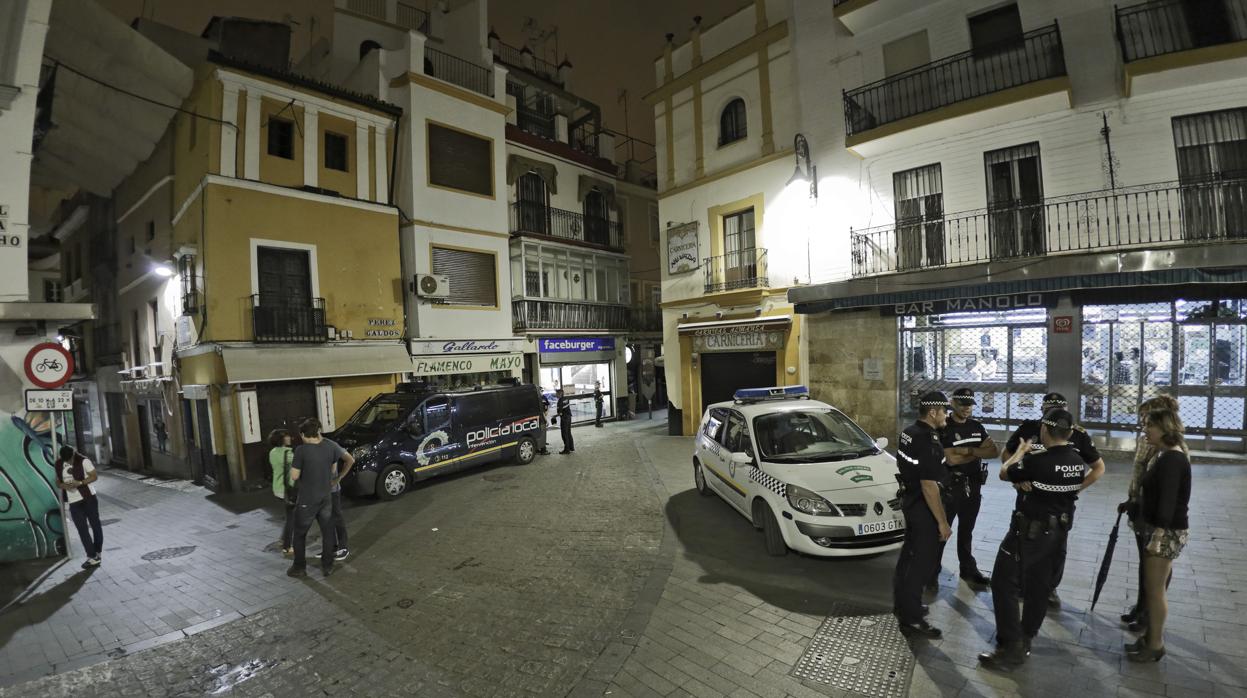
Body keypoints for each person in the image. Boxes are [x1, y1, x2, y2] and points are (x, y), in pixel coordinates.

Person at [979, 408, 1091, 668]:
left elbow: (1005, 472)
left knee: (1003, 583)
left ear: (1044, 430)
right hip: (1057, 533)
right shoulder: (1076, 461)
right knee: (1039, 587)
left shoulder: (1037, 461)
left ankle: (1010, 646)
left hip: (1028, 533)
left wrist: (1021, 452)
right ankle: (1027, 637)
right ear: (1070, 432)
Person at [1001, 392, 1106, 608]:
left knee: (1057, 547)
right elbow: (1007, 454)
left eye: (1059, 409)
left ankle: (1049, 588)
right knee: (1023, 540)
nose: (1054, 414)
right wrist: (1017, 482)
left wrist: (1073, 490)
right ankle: (1023, 585)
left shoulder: (1077, 434)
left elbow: (1098, 468)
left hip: (1060, 506)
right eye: (1049, 409)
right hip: (1029, 500)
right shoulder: (1029, 428)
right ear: (1042, 410)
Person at [1127, 408, 1191, 663]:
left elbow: (1168, 502)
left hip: (1165, 532)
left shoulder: (1172, 460)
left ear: (1165, 428)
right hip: (1158, 528)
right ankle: (1149, 639)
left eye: (1149, 426)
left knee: (1155, 591)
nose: (1145, 430)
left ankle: (1155, 644)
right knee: (1152, 588)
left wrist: (1158, 535)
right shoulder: (1163, 455)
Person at [892, 392, 953, 639]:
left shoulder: (909, 432)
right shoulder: (928, 441)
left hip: (910, 501)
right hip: (923, 508)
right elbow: (929, 486)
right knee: (920, 564)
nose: (947, 415)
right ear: (932, 413)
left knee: (908, 558)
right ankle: (912, 619)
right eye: (944, 411)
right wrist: (942, 522)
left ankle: (904, 605)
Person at [1119, 395, 1178, 632]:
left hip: (1154, 514)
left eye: (1147, 418)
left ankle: (1148, 614)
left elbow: (1159, 484)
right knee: (1145, 563)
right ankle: (1142, 606)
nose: (1142, 422)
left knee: (1155, 567)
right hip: (1141, 507)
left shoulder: (1169, 449)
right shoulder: (1148, 440)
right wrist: (1132, 499)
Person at [931, 388, 997, 590]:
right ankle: (932, 572)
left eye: (969, 405)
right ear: (952, 403)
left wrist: (968, 450)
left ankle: (968, 569)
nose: (966, 408)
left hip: (973, 486)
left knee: (967, 531)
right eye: (962, 404)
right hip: (951, 486)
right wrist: (979, 453)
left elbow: (994, 451)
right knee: (943, 531)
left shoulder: (977, 426)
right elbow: (951, 459)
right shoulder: (944, 427)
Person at [287, 419, 354, 578]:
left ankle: (299, 567)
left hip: (307, 499)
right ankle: (327, 566)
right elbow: (333, 468)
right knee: (328, 532)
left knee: (300, 534)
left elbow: (294, 476)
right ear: (318, 431)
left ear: (303, 434)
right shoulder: (330, 447)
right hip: (326, 497)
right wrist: (336, 480)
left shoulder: (301, 451)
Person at [56, 445, 103, 569]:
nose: (69, 462)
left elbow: (94, 476)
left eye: (71, 459)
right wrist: (63, 486)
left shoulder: (83, 461)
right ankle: (92, 556)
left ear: (74, 453)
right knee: (82, 529)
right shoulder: (59, 464)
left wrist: (80, 483)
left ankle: (97, 552)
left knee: (95, 525)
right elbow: (57, 481)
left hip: (89, 498)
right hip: (73, 502)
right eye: (67, 460)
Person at [269, 429, 296, 557]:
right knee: (292, 518)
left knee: (289, 515)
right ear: (282, 439)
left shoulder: (272, 452)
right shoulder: (288, 453)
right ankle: (287, 546)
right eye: (287, 436)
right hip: (288, 489)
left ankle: (283, 539)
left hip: (278, 487)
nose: (289, 437)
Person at [555, 388, 575, 454]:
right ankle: (571, 447)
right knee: (568, 432)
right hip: (569, 417)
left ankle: (567, 450)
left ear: (560, 394)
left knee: (564, 434)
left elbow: (560, 413)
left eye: (556, 393)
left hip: (564, 419)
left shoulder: (560, 401)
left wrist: (554, 417)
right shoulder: (566, 399)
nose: (555, 394)